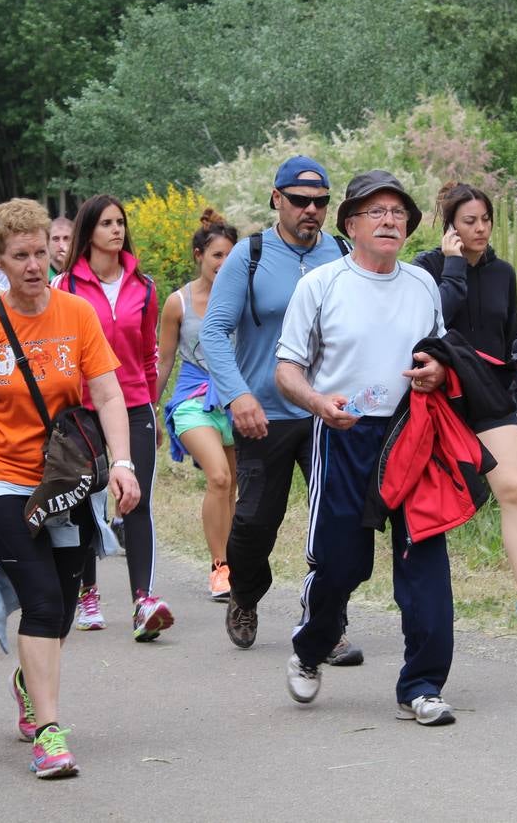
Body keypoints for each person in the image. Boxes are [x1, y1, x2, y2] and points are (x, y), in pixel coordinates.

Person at [0, 198, 140, 779]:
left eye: (40, 252)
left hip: (65, 480)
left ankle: (28, 684)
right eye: (19, 255)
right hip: (2, 480)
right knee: (43, 601)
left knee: (64, 606)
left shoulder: (77, 315)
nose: (34, 265)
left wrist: (122, 462)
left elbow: (106, 393)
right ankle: (50, 735)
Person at [275, 169, 458, 724]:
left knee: (423, 560)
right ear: (350, 224)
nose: (389, 221)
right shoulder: (322, 284)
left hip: (411, 435)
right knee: (341, 565)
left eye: (398, 213)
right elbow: (286, 369)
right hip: (344, 434)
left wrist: (433, 370)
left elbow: (438, 353)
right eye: (375, 212)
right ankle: (310, 650)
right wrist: (317, 403)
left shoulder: (423, 284)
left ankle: (421, 686)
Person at [199, 155, 361, 664]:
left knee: (337, 520)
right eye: (299, 201)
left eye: (320, 202)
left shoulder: (340, 253)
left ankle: (326, 622)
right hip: (262, 415)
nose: (310, 210)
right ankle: (245, 594)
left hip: (327, 414)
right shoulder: (248, 256)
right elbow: (214, 332)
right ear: (277, 199)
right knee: (253, 524)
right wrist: (237, 395)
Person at [414, 183, 517, 626]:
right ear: (450, 227)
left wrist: (515, 400)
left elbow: (510, 341)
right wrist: (455, 265)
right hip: (441, 396)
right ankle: (423, 596)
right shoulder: (427, 268)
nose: (480, 229)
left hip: (492, 396)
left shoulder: (504, 273)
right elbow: (432, 319)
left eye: (485, 219)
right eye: (469, 221)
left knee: (514, 487)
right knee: (431, 500)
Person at [54, 195, 173, 641]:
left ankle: (143, 600)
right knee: (83, 499)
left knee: (134, 499)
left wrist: (153, 408)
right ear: (90, 231)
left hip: (135, 404)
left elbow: (148, 355)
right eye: (106, 223)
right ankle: (88, 592)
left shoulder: (143, 286)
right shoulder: (64, 286)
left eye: (120, 222)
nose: (116, 230)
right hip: (81, 407)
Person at [154, 208, 239, 599]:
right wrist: (150, 409)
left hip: (235, 399)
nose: (223, 263)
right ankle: (219, 567)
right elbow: (165, 359)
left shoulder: (243, 298)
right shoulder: (178, 303)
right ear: (198, 256)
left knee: (233, 486)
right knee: (218, 477)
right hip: (192, 399)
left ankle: (235, 564)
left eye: (230, 256)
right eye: (217, 255)